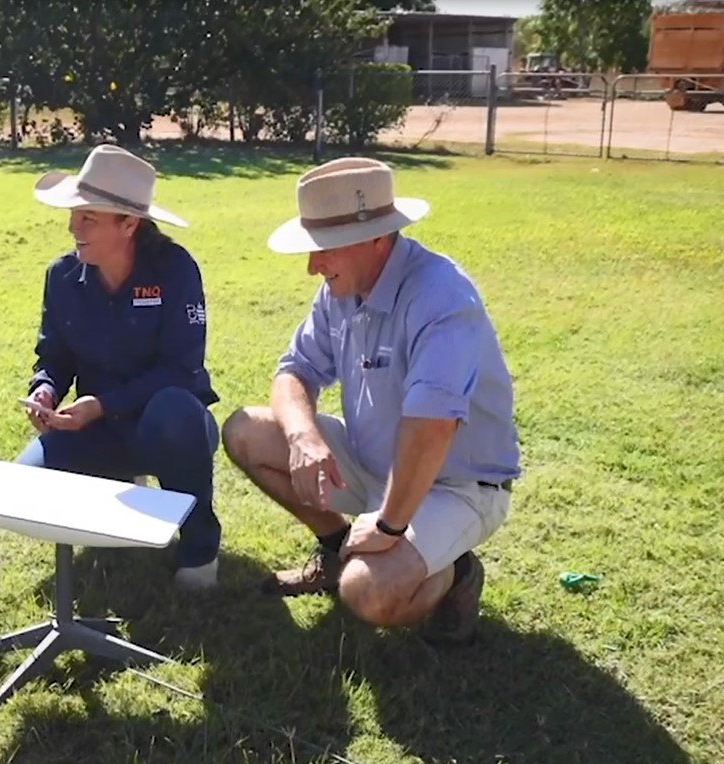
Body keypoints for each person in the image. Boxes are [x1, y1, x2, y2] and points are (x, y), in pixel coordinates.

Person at [221, 157, 521, 644]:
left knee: (366, 593)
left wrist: (389, 525)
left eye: (323, 249)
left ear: (377, 238)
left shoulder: (441, 298)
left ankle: (455, 575)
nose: (312, 265)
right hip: (371, 463)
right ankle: (337, 547)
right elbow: (292, 372)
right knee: (245, 431)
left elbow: (432, 429)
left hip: (452, 485)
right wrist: (302, 437)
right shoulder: (341, 288)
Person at [16, 144, 222, 589]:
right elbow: (53, 355)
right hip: (97, 429)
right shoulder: (62, 276)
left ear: (129, 224)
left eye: (88, 217)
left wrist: (102, 404)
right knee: (29, 480)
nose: (73, 226)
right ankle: (124, 489)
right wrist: (45, 389)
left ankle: (200, 545)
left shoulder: (175, 269)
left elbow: (182, 369)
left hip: (167, 426)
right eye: (74, 214)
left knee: (174, 409)